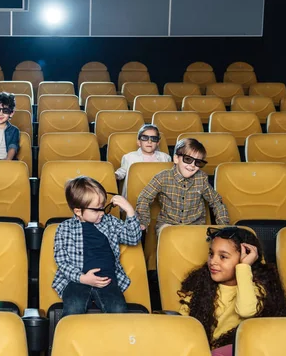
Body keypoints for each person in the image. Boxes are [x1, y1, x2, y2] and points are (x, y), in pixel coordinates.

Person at [178, 226, 286, 355]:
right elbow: (185, 324)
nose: (213, 261)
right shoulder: (201, 285)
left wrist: (243, 267)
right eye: (211, 254)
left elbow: (246, 310)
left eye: (223, 257)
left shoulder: (257, 288)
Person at [53, 176, 143, 317]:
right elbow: (61, 261)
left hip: (107, 280)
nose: (102, 213)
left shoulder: (109, 222)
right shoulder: (64, 228)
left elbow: (133, 238)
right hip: (77, 280)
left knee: (119, 310)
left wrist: (129, 210)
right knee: (73, 309)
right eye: (96, 210)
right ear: (78, 211)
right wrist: (83, 278)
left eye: (103, 208)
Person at [136, 137, 230, 234]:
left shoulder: (202, 178)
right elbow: (144, 198)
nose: (193, 165)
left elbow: (216, 201)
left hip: (195, 226)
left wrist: (224, 227)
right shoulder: (162, 177)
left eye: (198, 162)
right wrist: (143, 222)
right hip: (168, 225)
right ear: (176, 158)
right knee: (169, 234)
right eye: (188, 159)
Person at [114, 123, 171, 197]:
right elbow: (121, 172)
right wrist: (114, 175)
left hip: (158, 195)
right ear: (139, 142)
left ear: (158, 143)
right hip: (136, 193)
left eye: (154, 139)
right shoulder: (129, 157)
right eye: (145, 138)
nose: (149, 141)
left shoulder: (165, 158)